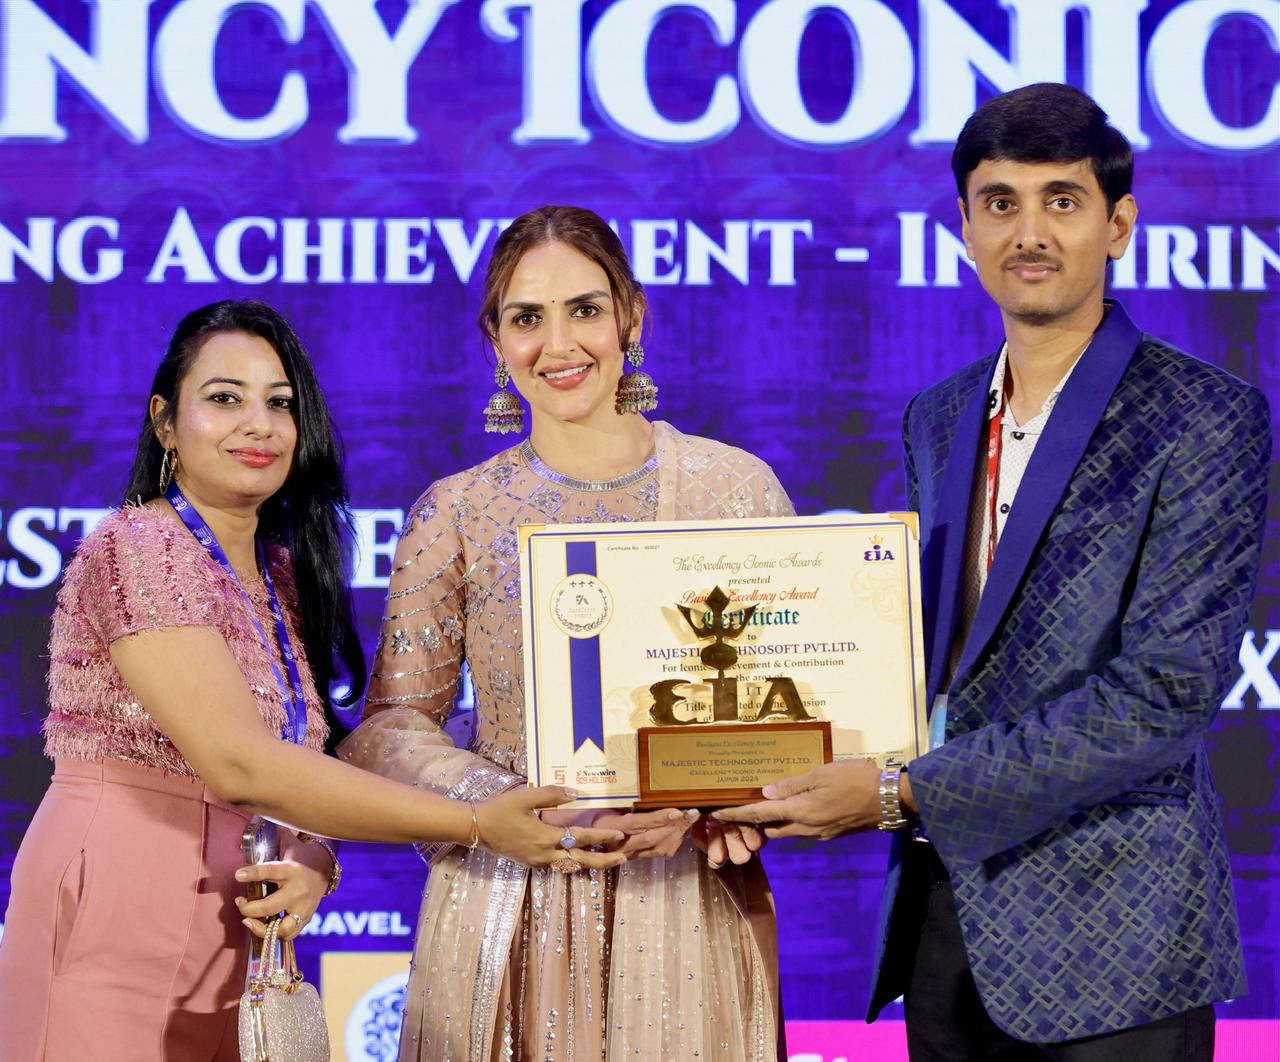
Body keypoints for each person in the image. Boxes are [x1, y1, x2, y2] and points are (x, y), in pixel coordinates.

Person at [716, 84, 1269, 1059]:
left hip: (1116, 939)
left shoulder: (1202, 416)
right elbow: (934, 660)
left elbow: (1163, 694)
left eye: (1062, 200)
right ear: (964, 229)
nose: (1029, 232)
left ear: (1118, 225)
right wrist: (745, 766)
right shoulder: (937, 415)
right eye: (1000, 202)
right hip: (948, 921)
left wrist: (899, 791)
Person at [0, 299, 623, 1062]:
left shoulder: (283, 574)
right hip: (118, 902)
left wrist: (314, 860)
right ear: (165, 422)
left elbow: (302, 756)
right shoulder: (137, 550)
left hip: (239, 928)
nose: (258, 425)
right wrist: (474, 822)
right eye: (224, 398)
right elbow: (242, 765)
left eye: (280, 403)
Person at [340, 206, 792, 1061]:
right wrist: (500, 804)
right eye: (526, 318)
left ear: (631, 316)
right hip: (509, 897)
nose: (558, 344)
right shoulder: (457, 510)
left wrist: (707, 806)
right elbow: (391, 729)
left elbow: (789, 717)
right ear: (495, 341)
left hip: (683, 895)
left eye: (585, 309)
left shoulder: (734, 491)